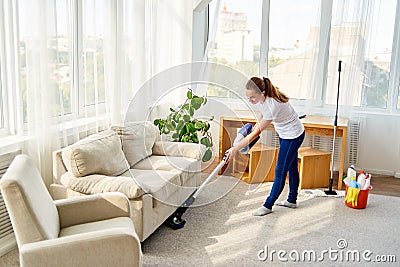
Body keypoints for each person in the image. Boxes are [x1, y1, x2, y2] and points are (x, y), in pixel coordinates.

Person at [225, 77, 305, 216]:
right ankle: (292, 200)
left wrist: (235, 148)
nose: (250, 101)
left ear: (262, 93)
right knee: (291, 166)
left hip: (293, 136)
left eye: (252, 98)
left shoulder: (272, 104)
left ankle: (268, 205)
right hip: (285, 133)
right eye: (248, 97)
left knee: (280, 171)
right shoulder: (264, 97)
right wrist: (255, 125)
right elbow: (261, 116)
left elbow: (257, 132)